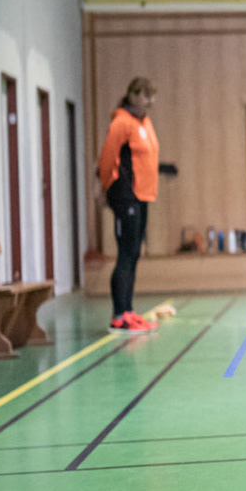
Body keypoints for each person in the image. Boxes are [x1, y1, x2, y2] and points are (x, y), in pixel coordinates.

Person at [97, 77, 162, 333]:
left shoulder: (144, 123)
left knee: (134, 253)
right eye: (146, 96)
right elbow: (107, 158)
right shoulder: (121, 122)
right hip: (126, 196)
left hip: (143, 196)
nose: (151, 102)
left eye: (152, 96)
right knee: (125, 254)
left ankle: (129, 311)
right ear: (133, 96)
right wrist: (105, 188)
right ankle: (119, 314)